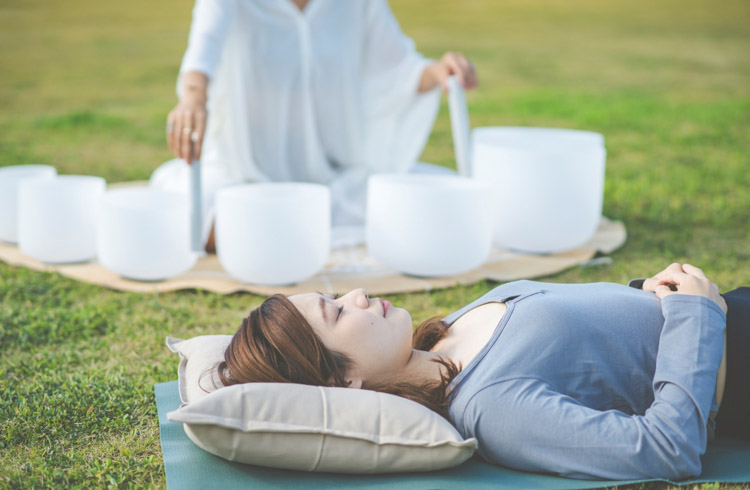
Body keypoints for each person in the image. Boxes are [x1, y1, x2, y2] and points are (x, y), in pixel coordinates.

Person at [216, 262, 750, 480]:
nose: (355, 294)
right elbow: (667, 450)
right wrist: (694, 316)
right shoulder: (491, 406)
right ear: (342, 383)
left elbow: (597, 341)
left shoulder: (442, 335)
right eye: (336, 313)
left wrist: (652, 294)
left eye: (333, 296)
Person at [153, 0, 478, 249]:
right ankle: (284, 229)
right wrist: (193, 97)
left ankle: (273, 233)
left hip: (330, 177)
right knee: (191, 210)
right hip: (244, 174)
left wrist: (439, 71)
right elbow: (202, 52)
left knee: (438, 194)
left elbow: (399, 69)